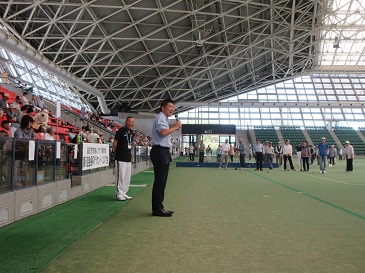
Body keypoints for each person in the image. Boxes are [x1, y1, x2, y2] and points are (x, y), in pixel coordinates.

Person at [150, 99, 181, 217]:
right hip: (160, 151)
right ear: (163, 107)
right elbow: (163, 133)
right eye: (170, 107)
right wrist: (176, 127)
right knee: (160, 181)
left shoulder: (164, 118)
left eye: (173, 107)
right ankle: (157, 208)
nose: (172, 109)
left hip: (162, 151)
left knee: (161, 181)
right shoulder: (161, 117)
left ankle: (159, 207)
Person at [113, 116, 135, 201]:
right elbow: (115, 143)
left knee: (127, 176)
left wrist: (131, 155)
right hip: (120, 157)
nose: (131, 123)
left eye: (133, 122)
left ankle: (124, 192)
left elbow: (130, 145)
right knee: (120, 176)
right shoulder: (121, 131)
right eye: (129, 121)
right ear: (126, 122)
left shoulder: (132, 132)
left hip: (128, 157)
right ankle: (119, 193)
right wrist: (116, 153)